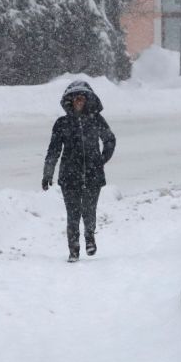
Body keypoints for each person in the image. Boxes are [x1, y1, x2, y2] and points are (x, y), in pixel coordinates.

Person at [42, 80, 116, 262]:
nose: (79, 101)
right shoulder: (62, 124)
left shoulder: (96, 120)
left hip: (93, 175)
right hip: (69, 176)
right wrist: (47, 173)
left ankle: (90, 238)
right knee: (73, 214)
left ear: (88, 100)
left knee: (89, 211)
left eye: (82, 98)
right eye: (76, 98)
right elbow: (53, 150)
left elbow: (110, 140)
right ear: (71, 101)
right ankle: (73, 250)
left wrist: (101, 160)